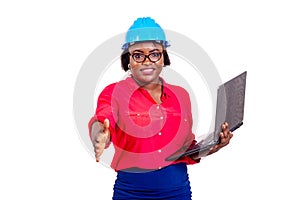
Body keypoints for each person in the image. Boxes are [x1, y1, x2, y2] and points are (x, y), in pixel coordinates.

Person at [88, 17, 233, 200]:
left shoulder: (181, 96)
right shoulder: (115, 92)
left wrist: (213, 145)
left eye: (154, 53)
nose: (147, 61)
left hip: (177, 192)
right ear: (128, 60)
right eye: (138, 55)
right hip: (131, 194)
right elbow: (102, 119)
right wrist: (99, 134)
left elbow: (186, 149)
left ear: (164, 57)